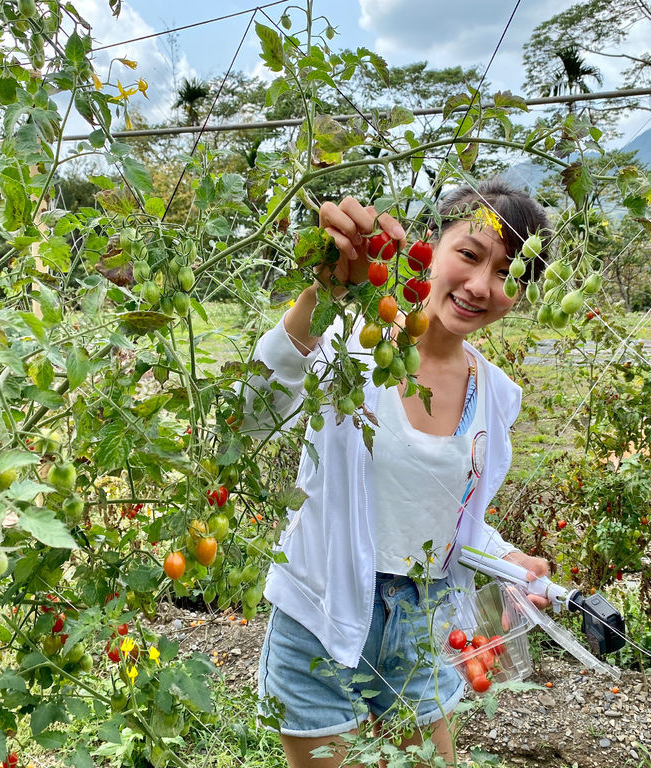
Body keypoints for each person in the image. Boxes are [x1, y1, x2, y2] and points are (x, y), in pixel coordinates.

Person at [242, 179, 553, 768]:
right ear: (429, 246)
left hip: (420, 623)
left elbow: (451, 517)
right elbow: (249, 419)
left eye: (510, 274)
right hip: (323, 614)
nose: (483, 286)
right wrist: (320, 297)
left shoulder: (493, 397)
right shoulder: (351, 343)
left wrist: (502, 555)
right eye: (470, 254)